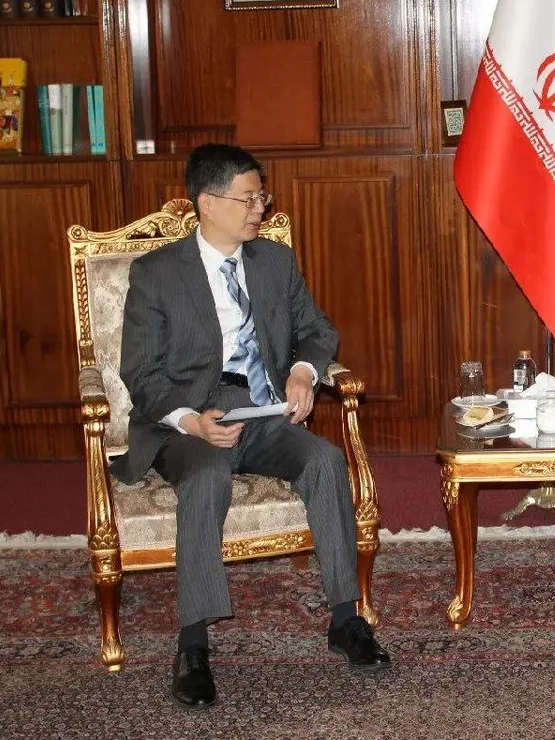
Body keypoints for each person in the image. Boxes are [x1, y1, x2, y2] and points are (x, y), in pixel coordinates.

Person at [116, 143, 390, 708]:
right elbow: (140, 373)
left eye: (262, 197)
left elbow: (317, 329)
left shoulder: (274, 262)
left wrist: (303, 373)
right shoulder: (156, 273)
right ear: (208, 203)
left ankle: (345, 619)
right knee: (206, 475)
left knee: (325, 460)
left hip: (263, 415)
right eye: (248, 198)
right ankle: (193, 645)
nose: (259, 208)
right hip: (189, 425)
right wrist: (191, 421)